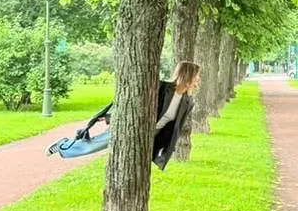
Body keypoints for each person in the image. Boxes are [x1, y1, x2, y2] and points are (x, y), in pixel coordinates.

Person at [46, 61, 201, 168]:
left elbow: (174, 127)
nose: (198, 80)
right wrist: (111, 116)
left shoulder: (187, 101)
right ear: (186, 75)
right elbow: (136, 102)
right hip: (131, 126)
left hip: (150, 135)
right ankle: (63, 146)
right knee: (96, 144)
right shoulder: (161, 88)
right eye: (196, 76)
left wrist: (165, 148)